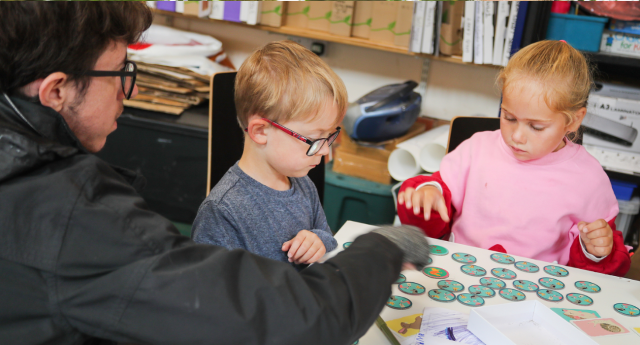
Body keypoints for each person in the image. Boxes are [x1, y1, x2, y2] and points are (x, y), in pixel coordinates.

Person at [0, 3, 431, 344]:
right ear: (55, 90)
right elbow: (277, 320)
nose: (124, 94)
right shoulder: (71, 215)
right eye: (119, 73)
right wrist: (381, 249)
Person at [397, 40, 630, 277]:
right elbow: (432, 216)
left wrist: (597, 250)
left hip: (534, 295)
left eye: (536, 127)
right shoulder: (477, 149)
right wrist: (427, 195)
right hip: (457, 279)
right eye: (509, 118)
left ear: (573, 121)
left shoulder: (587, 178)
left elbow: (598, 270)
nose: (517, 136)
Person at [192, 41, 340, 267]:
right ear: (260, 131)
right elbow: (213, 292)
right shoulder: (222, 212)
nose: (326, 150)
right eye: (314, 139)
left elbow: (325, 234)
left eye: (328, 136)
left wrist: (318, 239)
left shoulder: (303, 184)